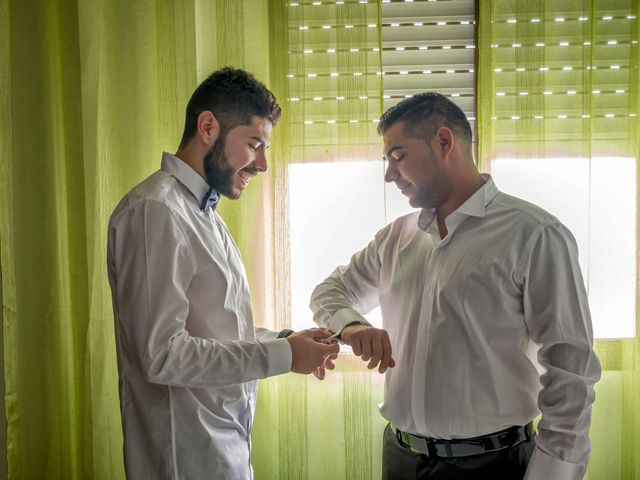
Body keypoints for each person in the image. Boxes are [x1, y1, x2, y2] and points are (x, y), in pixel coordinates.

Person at [310, 92, 601, 479]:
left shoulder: (535, 235)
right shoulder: (395, 239)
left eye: (398, 156)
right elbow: (328, 292)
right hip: (401, 458)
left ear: (444, 142)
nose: (389, 175)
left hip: (495, 465)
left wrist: (552, 474)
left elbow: (571, 367)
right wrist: (353, 325)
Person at [107, 67, 339, 480]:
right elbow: (161, 354)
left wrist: (287, 340)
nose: (263, 164)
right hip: (183, 463)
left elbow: (217, 332)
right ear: (208, 126)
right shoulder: (156, 211)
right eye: (255, 144)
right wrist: (283, 357)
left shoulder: (205, 217)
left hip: (224, 452)